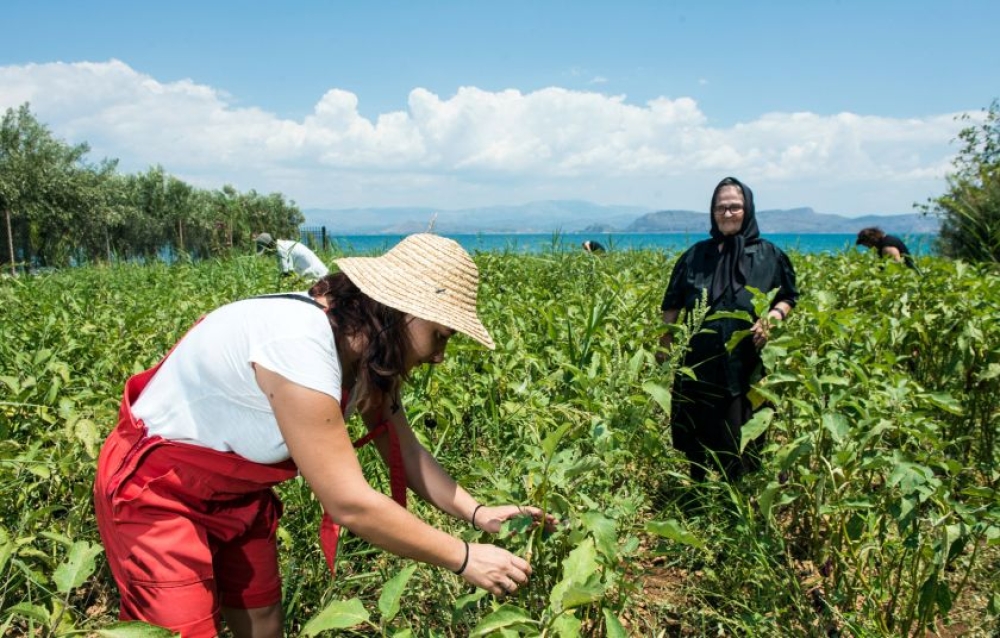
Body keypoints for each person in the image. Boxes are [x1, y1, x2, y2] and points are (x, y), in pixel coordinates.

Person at [94, 234, 548, 638]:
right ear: (403, 313)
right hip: (158, 491)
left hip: (239, 493)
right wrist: (464, 557)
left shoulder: (364, 355)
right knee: (183, 629)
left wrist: (479, 513)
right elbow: (349, 503)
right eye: (440, 336)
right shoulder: (299, 345)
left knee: (263, 620)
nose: (440, 356)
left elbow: (404, 450)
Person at [659, 177, 799, 482]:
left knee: (743, 425)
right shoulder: (696, 256)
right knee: (697, 423)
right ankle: (697, 486)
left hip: (748, 358)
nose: (727, 213)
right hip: (699, 360)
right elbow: (672, 303)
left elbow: (788, 295)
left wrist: (772, 317)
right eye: (720, 207)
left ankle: (738, 490)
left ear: (747, 209)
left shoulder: (769, 255)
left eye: (735, 207)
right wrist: (663, 343)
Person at [255, 232, 330, 280]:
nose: (267, 254)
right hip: (318, 273)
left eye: (265, 251)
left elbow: (287, 274)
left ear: (270, 245)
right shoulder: (285, 245)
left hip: (317, 276)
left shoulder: (282, 250)